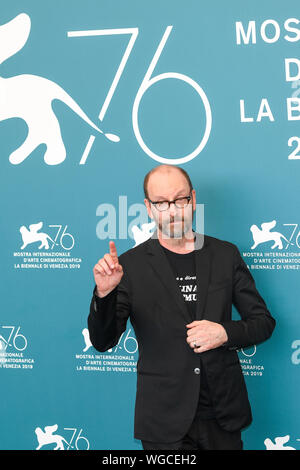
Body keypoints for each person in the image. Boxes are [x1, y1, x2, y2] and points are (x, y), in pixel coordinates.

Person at [88, 164, 276, 450]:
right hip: (163, 421)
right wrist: (105, 293)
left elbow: (263, 322)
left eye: (180, 199)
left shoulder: (225, 254)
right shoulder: (129, 266)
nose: (173, 210)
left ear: (193, 199)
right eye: (162, 203)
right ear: (149, 208)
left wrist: (224, 333)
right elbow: (103, 342)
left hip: (222, 415)